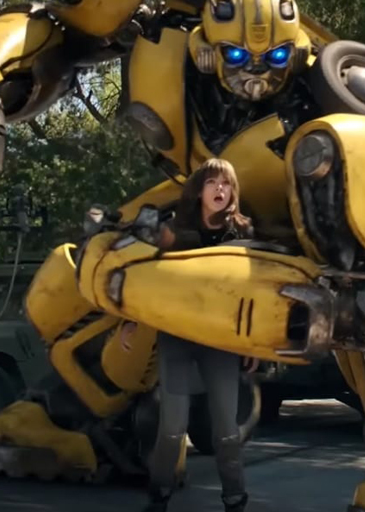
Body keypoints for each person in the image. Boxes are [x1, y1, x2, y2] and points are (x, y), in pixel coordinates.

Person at [121, 158, 259, 512]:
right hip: (178, 336)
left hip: (221, 340)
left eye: (226, 184)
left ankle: (235, 499)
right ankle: (159, 496)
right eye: (212, 182)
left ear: (233, 192)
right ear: (199, 190)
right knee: (171, 427)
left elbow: (254, 290)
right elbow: (145, 275)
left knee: (226, 430)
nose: (220, 189)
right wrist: (130, 320)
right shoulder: (174, 230)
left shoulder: (243, 233)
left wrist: (254, 343)